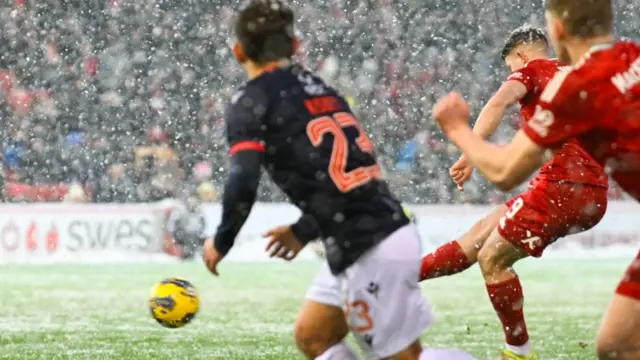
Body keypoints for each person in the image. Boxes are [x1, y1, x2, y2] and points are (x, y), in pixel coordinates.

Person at [201, 1, 476, 359]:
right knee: (314, 336)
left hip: (370, 244)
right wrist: (303, 230)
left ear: (239, 52)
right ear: (295, 46)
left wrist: (222, 241)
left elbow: (243, 180)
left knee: (404, 357)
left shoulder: (251, 99)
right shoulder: (321, 89)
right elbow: (348, 175)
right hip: (367, 231)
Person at [430, 1, 640, 359]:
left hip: (565, 189)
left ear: (557, 30)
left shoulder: (571, 86)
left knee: (492, 255)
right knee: (615, 345)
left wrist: (458, 132)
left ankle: (518, 351)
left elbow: (504, 172)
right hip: (580, 190)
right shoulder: (633, 57)